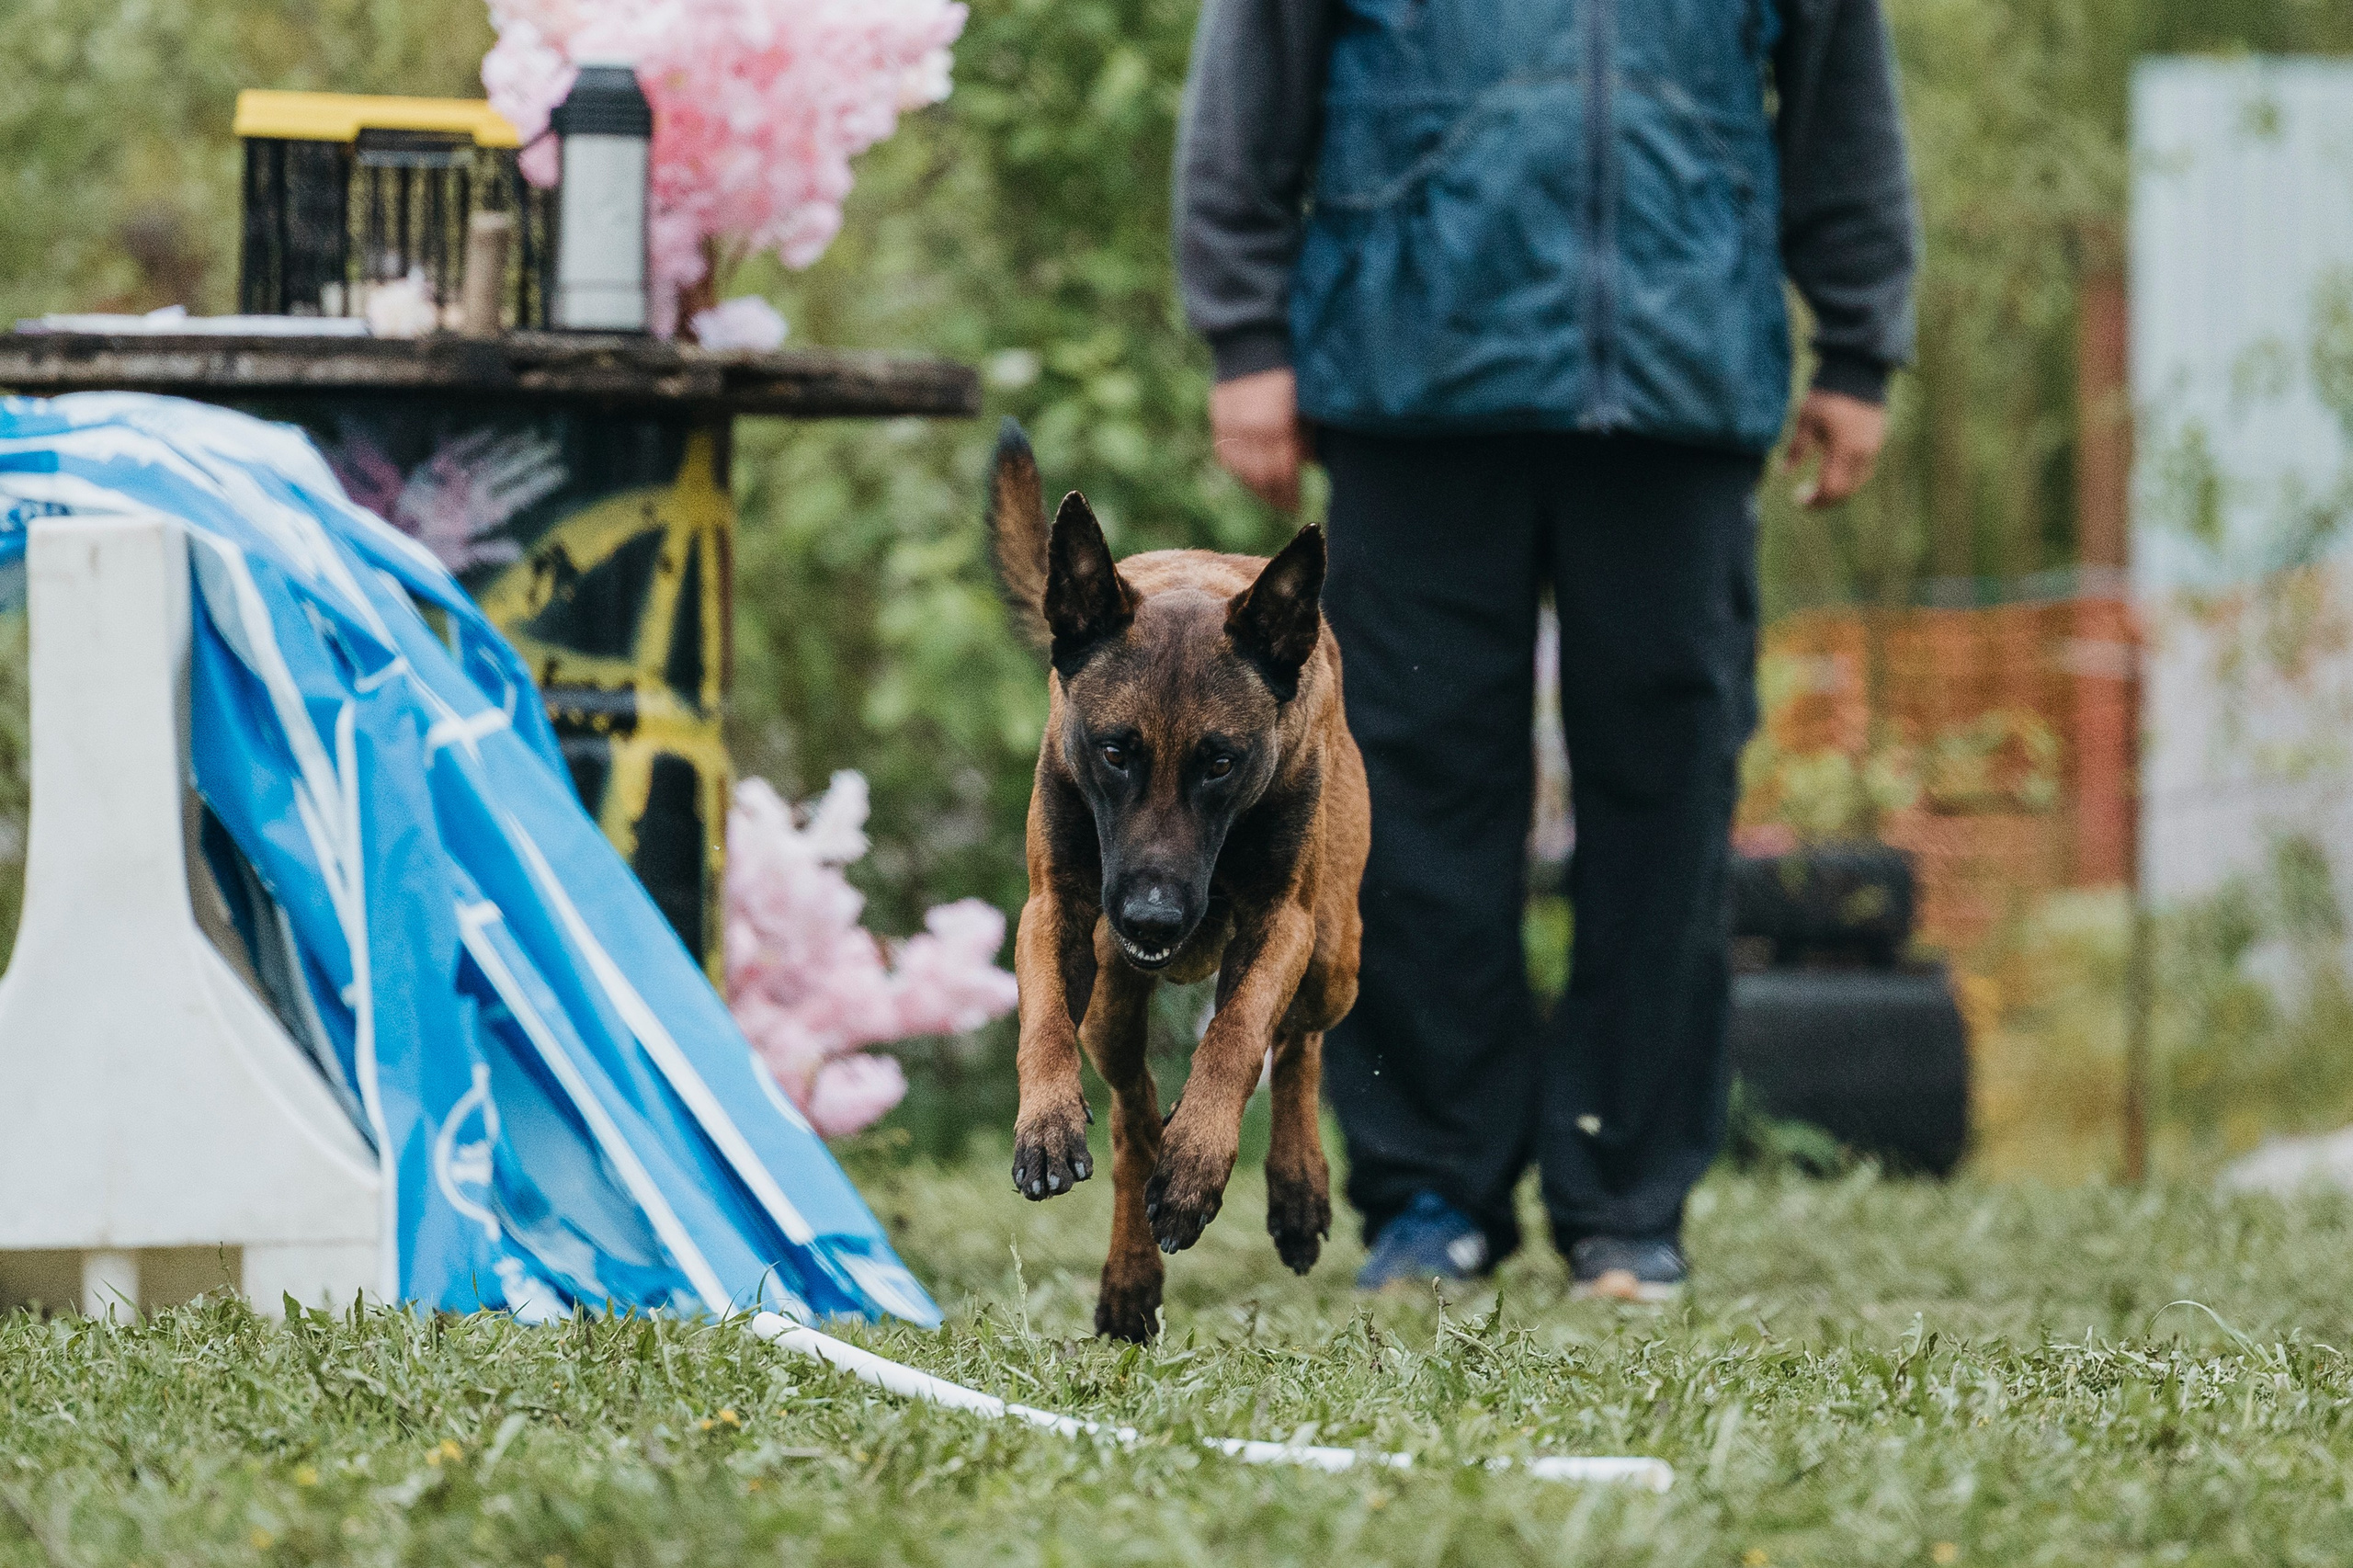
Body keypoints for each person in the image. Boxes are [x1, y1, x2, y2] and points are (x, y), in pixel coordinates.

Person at [1175, 0, 1917, 1297]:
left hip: (1679, 387)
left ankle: (1629, 1203)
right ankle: (1430, 1193)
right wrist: (1245, 333)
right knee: (1404, 798)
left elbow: (1842, 97)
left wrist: (1858, 345)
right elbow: (1252, 78)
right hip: (1412, 375)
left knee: (1669, 793)